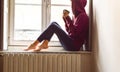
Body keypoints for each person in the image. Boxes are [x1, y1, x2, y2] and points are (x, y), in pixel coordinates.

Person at [24, 0, 89, 51]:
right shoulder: (75, 17)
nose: (72, 6)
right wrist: (65, 19)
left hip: (73, 46)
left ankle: (34, 44)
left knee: (53, 26)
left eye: (73, 4)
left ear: (78, 5)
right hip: (70, 43)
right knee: (54, 23)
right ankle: (45, 43)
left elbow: (75, 34)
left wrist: (68, 19)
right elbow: (69, 31)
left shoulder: (83, 16)